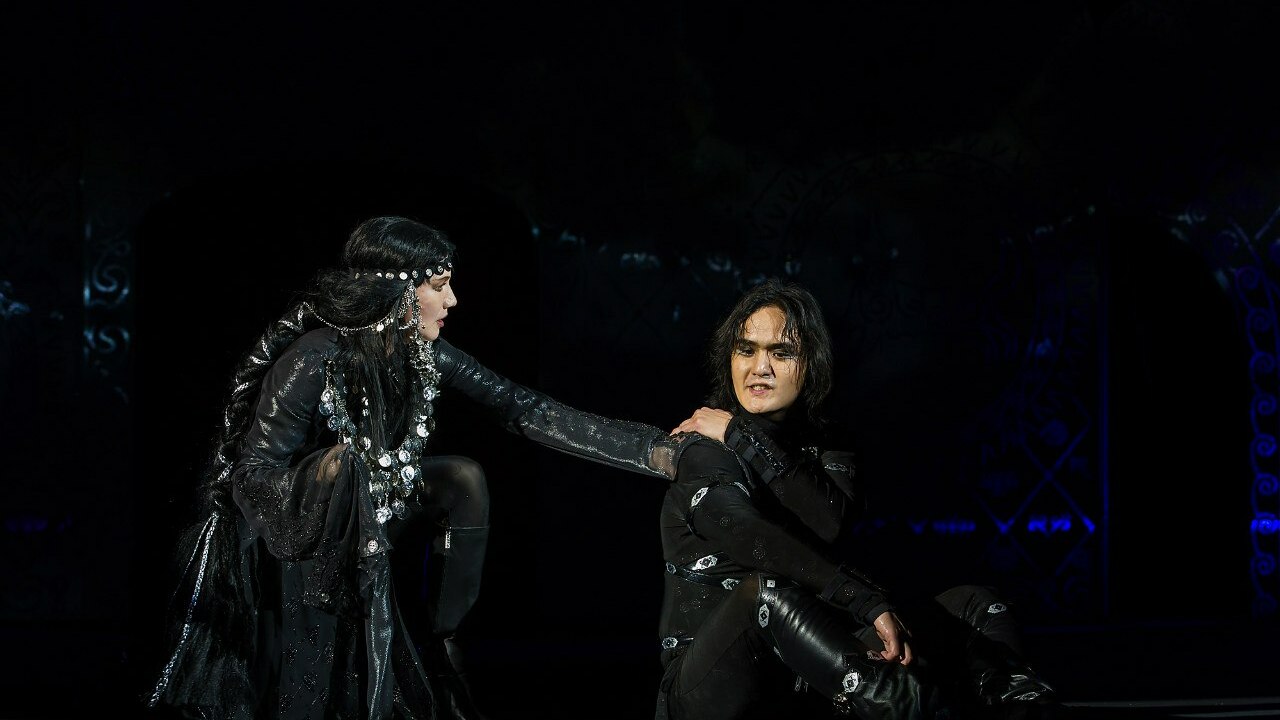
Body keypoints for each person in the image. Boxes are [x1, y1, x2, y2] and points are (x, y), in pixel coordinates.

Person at [145, 215, 696, 720]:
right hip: (303, 536)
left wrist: (655, 451)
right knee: (350, 472)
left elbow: (521, 407)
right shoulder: (314, 357)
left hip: (384, 505)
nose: (452, 300)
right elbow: (252, 476)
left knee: (461, 477)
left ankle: (442, 642)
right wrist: (330, 474)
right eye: (438, 286)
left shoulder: (421, 351)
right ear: (398, 291)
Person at [655, 278, 1061, 719]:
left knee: (975, 605)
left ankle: (1024, 708)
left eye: (781, 352)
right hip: (710, 683)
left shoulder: (825, 444)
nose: (759, 368)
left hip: (805, 671)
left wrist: (744, 435)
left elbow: (830, 523)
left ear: (812, 362)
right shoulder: (705, 448)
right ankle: (908, 706)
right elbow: (751, 537)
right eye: (746, 350)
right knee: (765, 593)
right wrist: (865, 601)